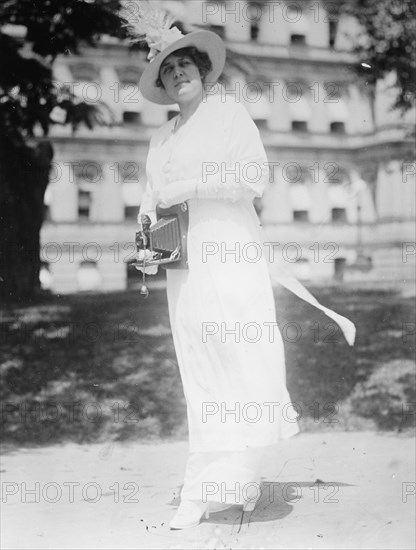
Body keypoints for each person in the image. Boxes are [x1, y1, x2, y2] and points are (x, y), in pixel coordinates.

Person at [136, 24, 356, 530]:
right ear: (163, 86)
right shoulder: (161, 136)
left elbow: (252, 177)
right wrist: (146, 236)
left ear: (202, 71)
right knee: (199, 360)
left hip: (230, 247)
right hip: (186, 259)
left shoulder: (230, 116)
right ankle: (205, 483)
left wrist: (187, 185)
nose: (176, 74)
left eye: (182, 65)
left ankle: (238, 476)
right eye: (167, 70)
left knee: (242, 354)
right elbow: (152, 196)